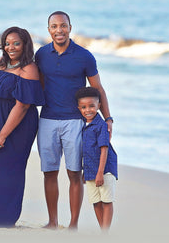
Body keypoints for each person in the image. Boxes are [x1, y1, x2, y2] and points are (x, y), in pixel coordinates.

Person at [35, 11, 113, 229]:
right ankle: (52, 221)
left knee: (74, 173)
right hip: (47, 119)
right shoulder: (41, 55)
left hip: (74, 122)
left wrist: (108, 118)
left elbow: (98, 89)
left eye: (63, 25)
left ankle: (73, 224)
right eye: (54, 26)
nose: (59, 30)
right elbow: (36, 85)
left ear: (70, 27)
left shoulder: (84, 56)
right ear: (48, 29)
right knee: (49, 172)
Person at [0, 26, 45, 227]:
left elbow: (22, 106)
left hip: (17, 125)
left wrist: (3, 134)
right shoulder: (1, 63)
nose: (11, 47)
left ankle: (4, 218)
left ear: (25, 45)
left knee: (7, 169)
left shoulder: (29, 69)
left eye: (16, 43)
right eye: (7, 43)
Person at [75, 87, 117, 231]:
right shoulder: (83, 125)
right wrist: (85, 173)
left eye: (92, 106)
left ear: (99, 106)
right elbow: (86, 152)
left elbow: (104, 150)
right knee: (95, 201)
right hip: (91, 170)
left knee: (106, 200)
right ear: (79, 108)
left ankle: (105, 234)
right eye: (84, 107)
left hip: (104, 169)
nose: (88, 110)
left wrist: (100, 173)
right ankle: (102, 231)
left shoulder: (101, 126)